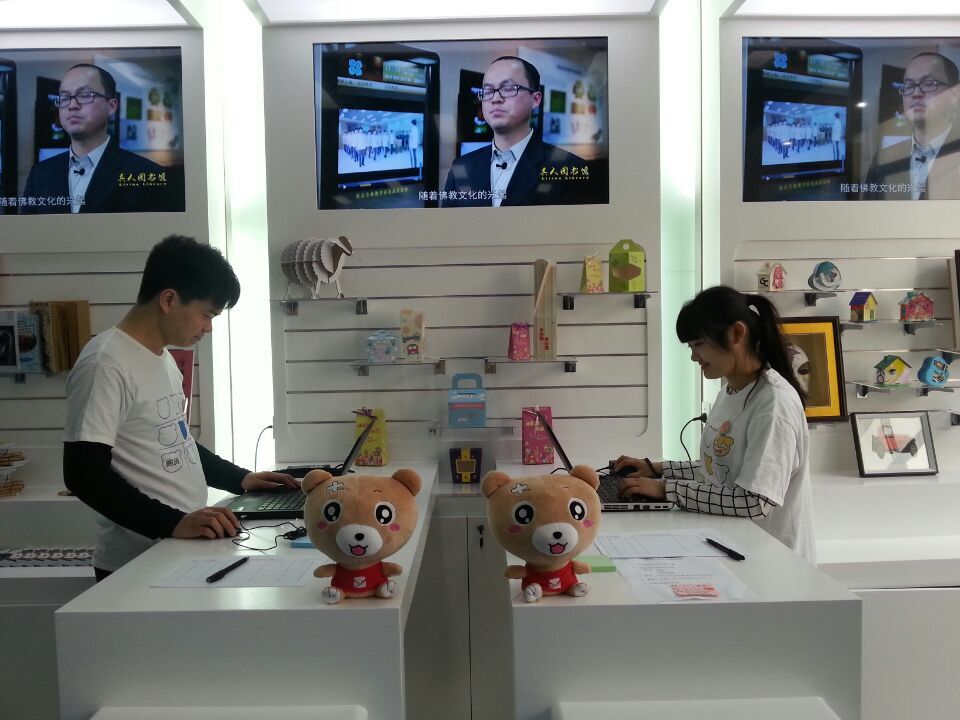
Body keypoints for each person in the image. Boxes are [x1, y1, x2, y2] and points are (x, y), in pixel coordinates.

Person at [63, 235, 296, 581]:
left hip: (177, 547)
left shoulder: (164, 359)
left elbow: (177, 441)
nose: (208, 328)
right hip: (135, 564)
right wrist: (173, 523)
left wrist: (240, 479)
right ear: (169, 299)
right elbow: (84, 474)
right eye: (206, 315)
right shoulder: (105, 363)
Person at [612, 286, 816, 562]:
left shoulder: (774, 405)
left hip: (774, 562)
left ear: (736, 334)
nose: (694, 357)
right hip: (734, 547)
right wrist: (656, 469)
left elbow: (753, 501)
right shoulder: (730, 392)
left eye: (698, 344)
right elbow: (721, 469)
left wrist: (666, 489)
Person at [20, 63, 180, 214]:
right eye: (65, 97)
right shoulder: (40, 174)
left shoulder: (148, 174)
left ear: (112, 106)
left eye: (84, 95)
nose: (72, 105)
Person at [440, 56, 591, 207]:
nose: (495, 99)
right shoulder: (461, 166)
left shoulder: (571, 168)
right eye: (487, 91)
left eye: (508, 89)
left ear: (536, 99)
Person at [863, 52, 960, 200]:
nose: (915, 93)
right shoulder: (884, 158)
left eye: (928, 84)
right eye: (908, 86)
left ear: (954, 94)